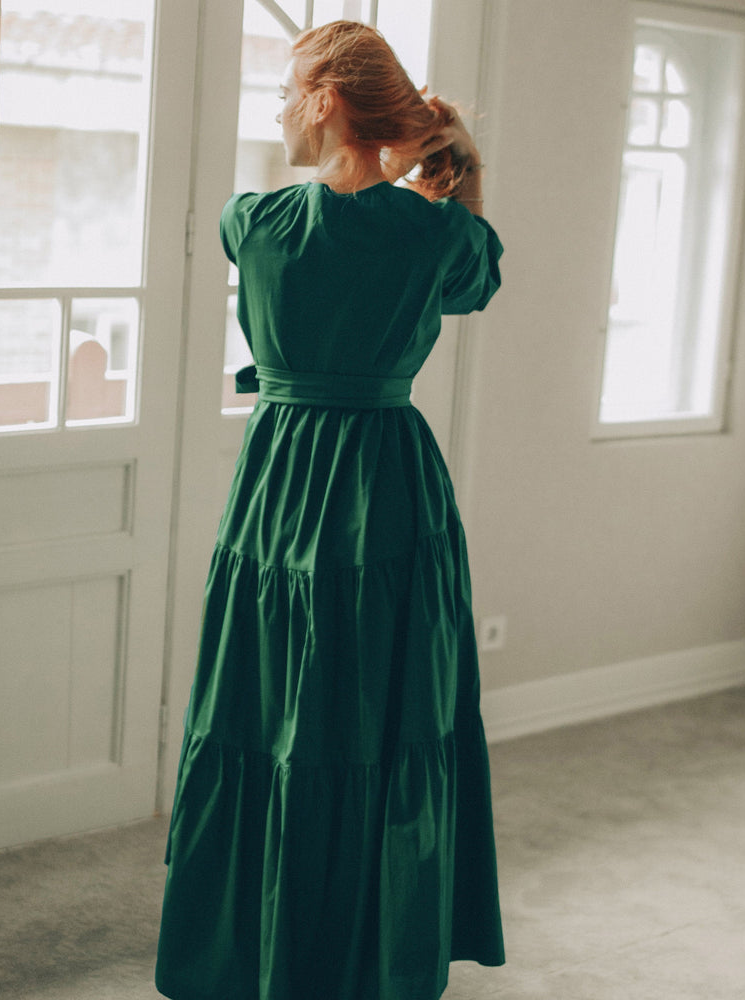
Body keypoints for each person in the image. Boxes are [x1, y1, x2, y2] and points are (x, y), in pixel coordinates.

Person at [156, 20, 504, 1000]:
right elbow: (473, 282)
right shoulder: (439, 232)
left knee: (265, 705)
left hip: (278, 483)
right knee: (384, 711)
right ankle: (368, 947)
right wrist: (455, 179)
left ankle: (257, 943)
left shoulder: (250, 222)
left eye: (282, 93)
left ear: (320, 103)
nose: (276, 111)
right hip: (388, 480)